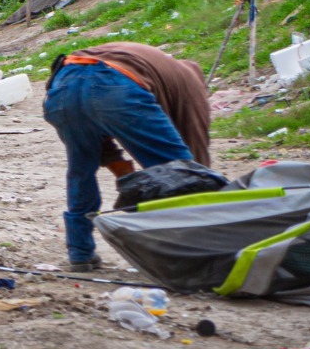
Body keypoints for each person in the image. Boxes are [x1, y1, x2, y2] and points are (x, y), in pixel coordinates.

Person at [42, 42, 210, 272]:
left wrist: (126, 175)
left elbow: (91, 111)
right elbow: (193, 154)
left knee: (81, 170)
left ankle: (80, 253)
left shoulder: (158, 65)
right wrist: (204, 193)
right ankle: (197, 250)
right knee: (182, 170)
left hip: (63, 83)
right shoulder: (190, 84)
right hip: (114, 84)